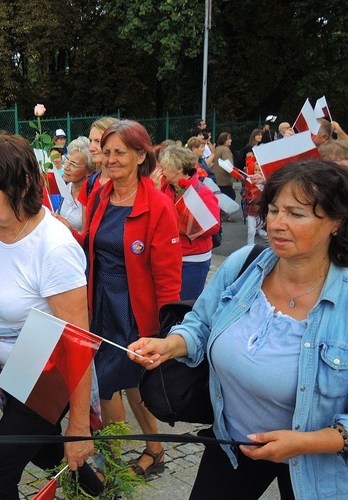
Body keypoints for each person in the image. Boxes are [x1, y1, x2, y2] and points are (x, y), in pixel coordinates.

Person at [129, 159, 348, 500]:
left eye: (297, 214)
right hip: (234, 441)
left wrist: (306, 442)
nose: (277, 223)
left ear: (337, 221)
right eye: (274, 210)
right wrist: (171, 344)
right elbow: (201, 322)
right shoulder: (245, 264)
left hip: (317, 464)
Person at [0, 134, 99, 499]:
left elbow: (78, 343)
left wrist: (79, 428)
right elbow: (3, 276)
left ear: (22, 185)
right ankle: (100, 493)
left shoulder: (55, 247)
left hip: (47, 366)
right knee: (45, 450)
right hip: (16, 365)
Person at [77, 120, 181, 478]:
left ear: (140, 155)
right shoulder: (100, 195)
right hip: (101, 303)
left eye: (119, 152)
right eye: (106, 152)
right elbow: (91, 245)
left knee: (107, 383)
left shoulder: (159, 206)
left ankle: (110, 466)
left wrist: (166, 332)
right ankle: (155, 448)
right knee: (131, 384)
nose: (110, 159)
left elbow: (169, 277)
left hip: (135, 311)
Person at [156, 145, 220, 300]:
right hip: (171, 255)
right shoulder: (165, 188)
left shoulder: (201, 191)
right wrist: (156, 192)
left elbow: (214, 226)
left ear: (178, 168)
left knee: (186, 303)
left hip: (193, 259)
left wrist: (180, 227)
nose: (161, 171)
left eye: (164, 167)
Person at [57, 137, 93, 231]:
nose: (66, 167)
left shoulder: (91, 196)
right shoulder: (66, 188)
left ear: (88, 171)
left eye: (73, 164)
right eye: (66, 160)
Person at [209, 132, 236, 205]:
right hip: (224, 180)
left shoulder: (216, 149)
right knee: (231, 197)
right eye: (229, 139)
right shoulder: (225, 150)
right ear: (224, 140)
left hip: (216, 179)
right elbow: (229, 165)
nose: (231, 140)